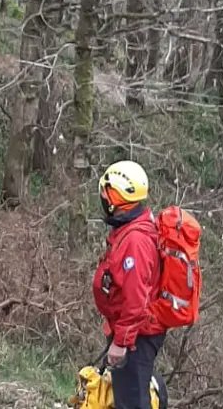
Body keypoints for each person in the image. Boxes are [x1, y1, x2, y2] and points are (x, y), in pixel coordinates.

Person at [92, 160, 166, 409]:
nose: (102, 197)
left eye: (106, 192)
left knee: (131, 403)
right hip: (132, 331)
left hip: (137, 335)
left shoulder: (135, 241)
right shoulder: (130, 229)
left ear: (116, 197)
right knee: (127, 397)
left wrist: (121, 341)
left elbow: (136, 301)